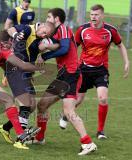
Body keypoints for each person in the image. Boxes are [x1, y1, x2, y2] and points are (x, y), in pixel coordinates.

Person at [27, 8, 97, 156]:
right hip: (62, 75)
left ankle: (88, 142)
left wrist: (45, 56)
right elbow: (44, 45)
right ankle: (40, 138)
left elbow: (64, 49)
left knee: (68, 111)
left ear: (57, 19)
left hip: (71, 74)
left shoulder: (64, 29)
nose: (47, 19)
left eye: (49, 17)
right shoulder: (54, 32)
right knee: (42, 105)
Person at [59, 4, 130, 139]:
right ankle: (66, 114)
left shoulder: (110, 31)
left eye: (96, 15)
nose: (93, 17)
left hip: (101, 69)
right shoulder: (82, 30)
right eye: (91, 14)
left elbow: (120, 45)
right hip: (83, 69)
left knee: (103, 98)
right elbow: (73, 48)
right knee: (78, 100)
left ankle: (100, 131)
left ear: (102, 16)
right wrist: (66, 64)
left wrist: (127, 62)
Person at [0, 22, 55, 143]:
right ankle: (21, 137)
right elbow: (11, 29)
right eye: (44, 32)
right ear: (42, 25)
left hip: (26, 73)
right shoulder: (28, 29)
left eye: (46, 35)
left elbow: (34, 53)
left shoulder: (40, 39)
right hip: (16, 70)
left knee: (32, 106)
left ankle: (5, 128)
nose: (44, 35)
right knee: (26, 103)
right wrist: (16, 34)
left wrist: (40, 57)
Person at [2, 0, 35, 87]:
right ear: (22, 1)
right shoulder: (15, 11)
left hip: (28, 38)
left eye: (28, 2)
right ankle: (7, 74)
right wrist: (7, 37)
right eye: (25, 1)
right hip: (17, 37)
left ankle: (28, 76)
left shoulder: (31, 12)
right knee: (16, 57)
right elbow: (7, 25)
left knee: (29, 56)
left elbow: (31, 24)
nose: (27, 3)